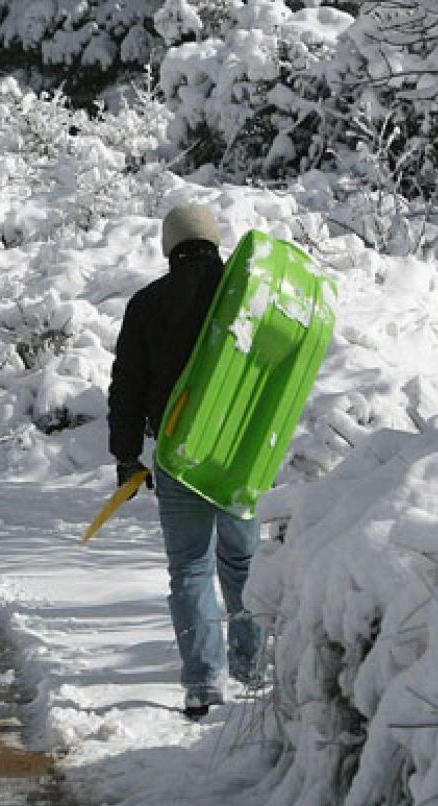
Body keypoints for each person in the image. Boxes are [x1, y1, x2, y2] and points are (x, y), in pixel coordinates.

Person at [106, 203, 263, 720]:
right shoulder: (245, 294)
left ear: (169, 246)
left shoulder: (148, 303)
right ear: (214, 241)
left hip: (180, 453)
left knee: (191, 568)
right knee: (242, 561)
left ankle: (203, 683)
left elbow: (126, 387)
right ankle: (255, 666)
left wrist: (126, 456)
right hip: (241, 452)